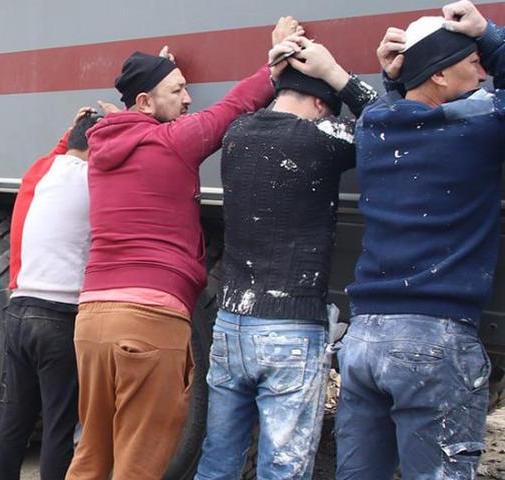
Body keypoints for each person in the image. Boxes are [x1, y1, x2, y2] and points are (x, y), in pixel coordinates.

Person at [66, 17, 304, 479]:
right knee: (140, 459)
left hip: (92, 320)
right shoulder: (174, 141)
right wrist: (273, 67)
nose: (190, 98)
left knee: (92, 454)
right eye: (178, 90)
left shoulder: (102, 149)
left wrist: (161, 79)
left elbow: (144, 119)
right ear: (145, 100)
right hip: (150, 321)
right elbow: (232, 108)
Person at [192, 35, 379, 480]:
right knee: (284, 468)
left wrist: (273, 65)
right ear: (320, 105)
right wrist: (339, 75)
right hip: (291, 329)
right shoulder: (321, 136)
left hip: (231, 325)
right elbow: (388, 123)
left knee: (218, 459)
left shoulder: (236, 133)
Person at [339, 2, 505, 477]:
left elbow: (400, 110)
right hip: (434, 341)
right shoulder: (480, 128)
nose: (483, 72)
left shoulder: (373, 128)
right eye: (472, 62)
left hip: (365, 340)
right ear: (437, 74)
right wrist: (489, 34)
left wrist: (397, 78)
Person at [0, 105, 108, 480]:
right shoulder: (96, 180)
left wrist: (74, 129)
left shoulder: (39, 172)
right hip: (59, 316)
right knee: (59, 425)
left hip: (19, 310)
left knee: (14, 417)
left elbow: (62, 151)